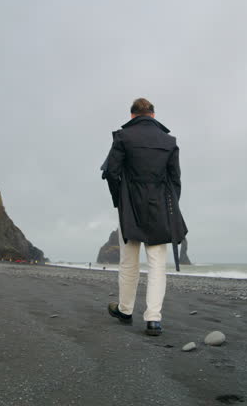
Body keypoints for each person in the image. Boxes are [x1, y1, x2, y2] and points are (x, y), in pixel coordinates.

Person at [102, 98, 187, 336]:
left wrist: (120, 199)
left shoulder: (123, 137)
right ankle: (153, 319)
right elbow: (176, 179)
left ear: (132, 116)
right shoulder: (169, 141)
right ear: (153, 115)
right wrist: (171, 204)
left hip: (130, 203)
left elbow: (111, 172)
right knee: (157, 263)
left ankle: (126, 310)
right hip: (161, 204)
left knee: (129, 261)